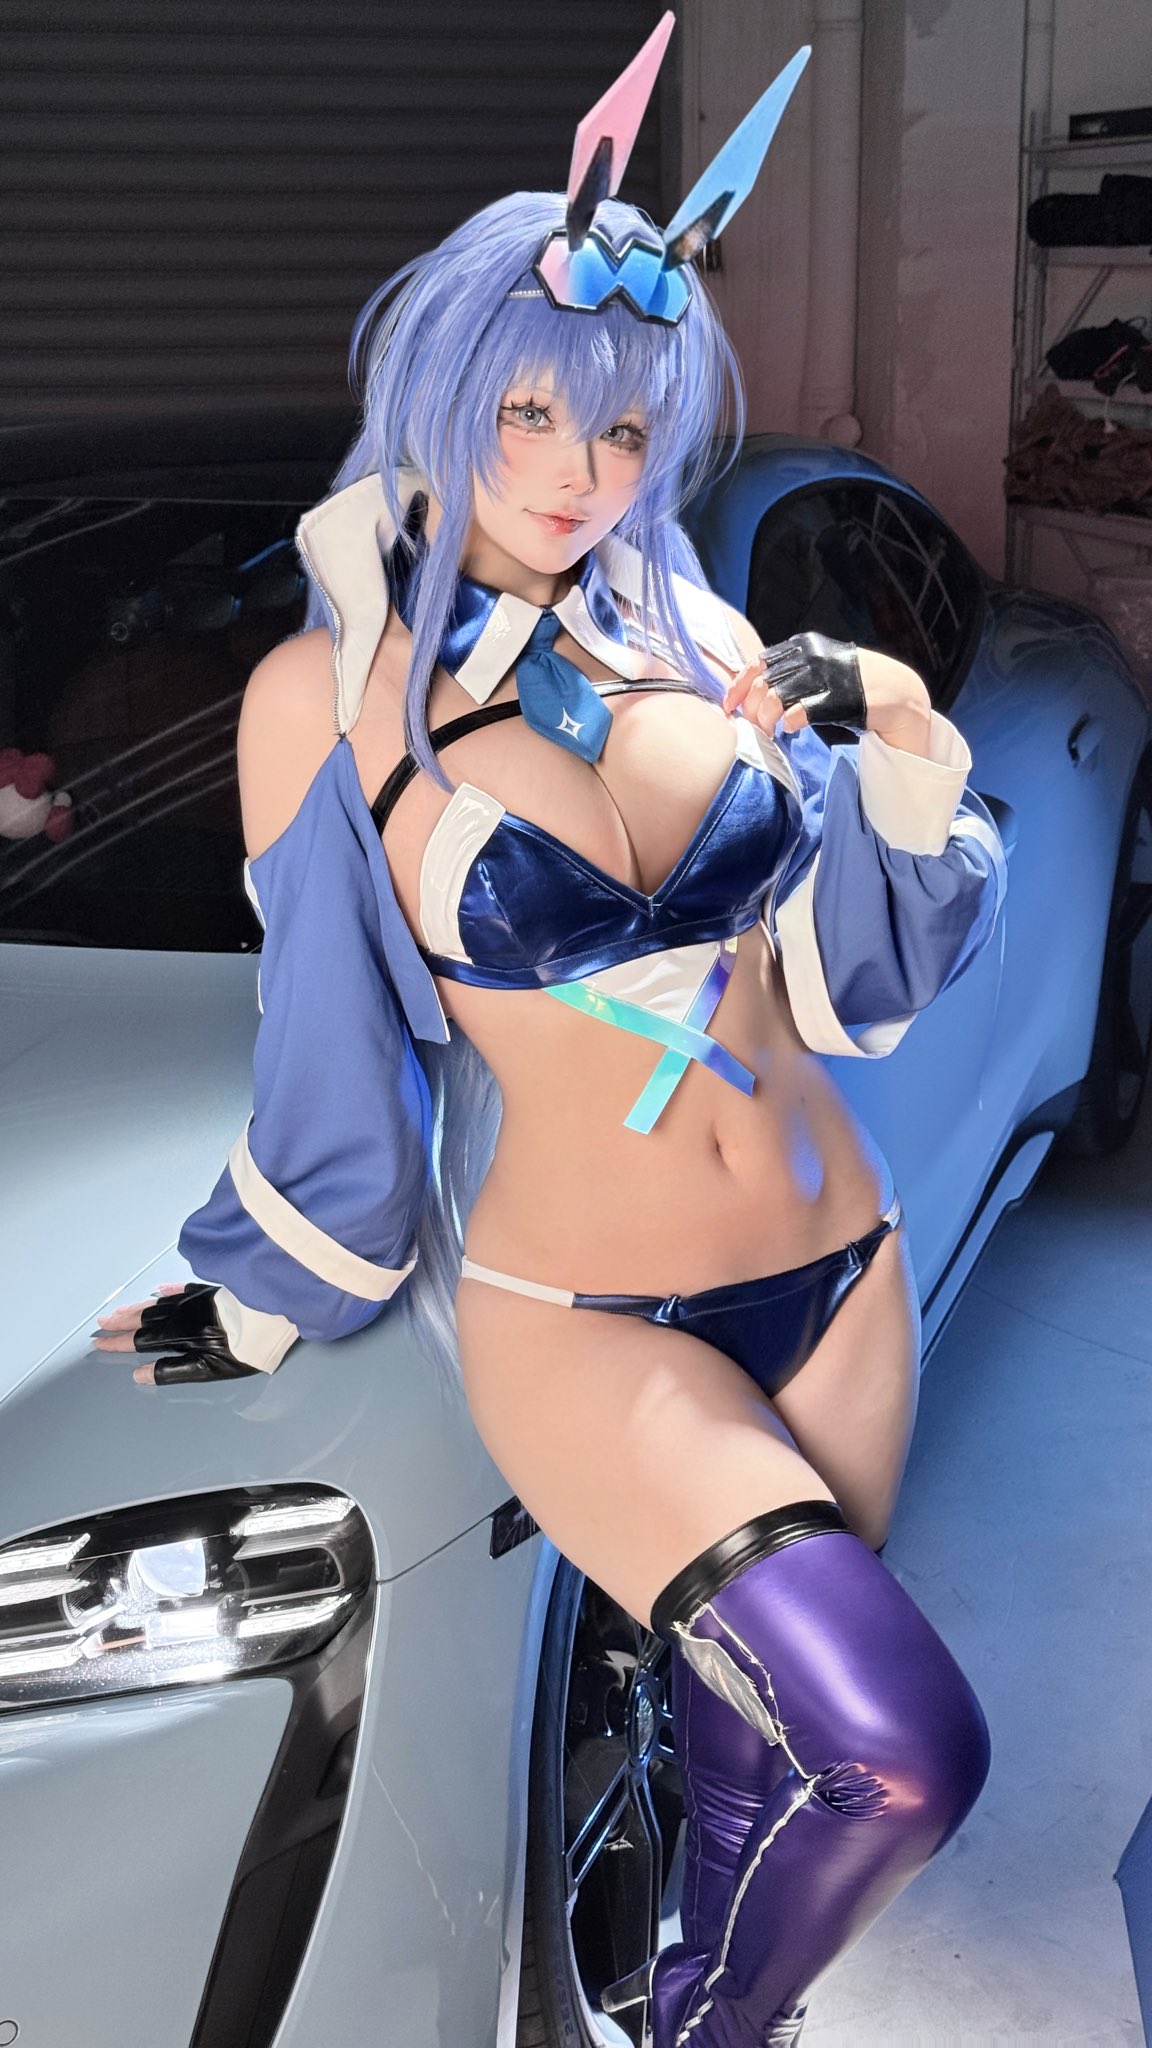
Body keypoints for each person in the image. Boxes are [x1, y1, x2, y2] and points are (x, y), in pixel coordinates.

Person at [92, 22, 1004, 2044]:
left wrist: (905, 739)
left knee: (754, 1783)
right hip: (590, 1313)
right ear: (442, 392)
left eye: (623, 428)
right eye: (528, 411)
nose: (579, 473)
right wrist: (251, 1297)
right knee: (897, 1755)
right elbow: (331, 1045)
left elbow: (850, 982)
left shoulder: (698, 634)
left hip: (841, 1272)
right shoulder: (327, 703)